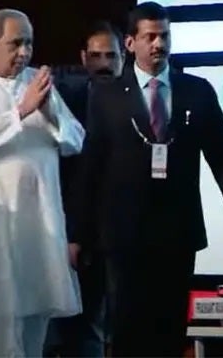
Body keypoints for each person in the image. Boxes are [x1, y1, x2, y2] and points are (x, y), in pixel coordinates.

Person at [71, 1, 223, 358]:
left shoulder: (196, 90)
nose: (159, 44)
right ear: (130, 43)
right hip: (124, 234)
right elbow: (91, 166)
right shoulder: (108, 96)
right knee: (128, 329)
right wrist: (78, 234)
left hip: (177, 231)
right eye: (150, 37)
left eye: (165, 36)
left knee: (170, 329)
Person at [0, 8, 85, 358]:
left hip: (40, 219)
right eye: (15, 44)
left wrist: (49, 113)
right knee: (5, 312)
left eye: (29, 43)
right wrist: (21, 111)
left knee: (39, 309)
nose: (24, 52)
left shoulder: (37, 82)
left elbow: (75, 140)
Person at [48, 21, 125, 358]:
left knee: (128, 323)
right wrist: (71, 233)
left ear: (124, 56)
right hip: (80, 234)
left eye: (111, 56)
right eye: (96, 56)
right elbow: (62, 173)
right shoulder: (66, 100)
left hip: (131, 232)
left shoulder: (144, 99)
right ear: (83, 58)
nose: (104, 64)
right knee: (79, 327)